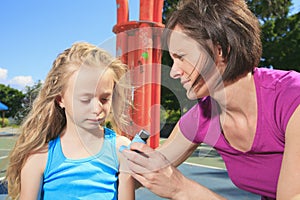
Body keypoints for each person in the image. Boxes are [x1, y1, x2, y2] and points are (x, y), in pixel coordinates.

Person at [121, 0, 300, 199]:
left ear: (220, 49)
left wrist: (182, 189)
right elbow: (144, 170)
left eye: (181, 57)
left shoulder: (292, 98)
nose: (173, 72)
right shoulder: (202, 117)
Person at [5, 42, 135, 199]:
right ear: (61, 99)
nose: (97, 108)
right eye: (85, 99)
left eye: (104, 98)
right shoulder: (39, 157)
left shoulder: (121, 150)